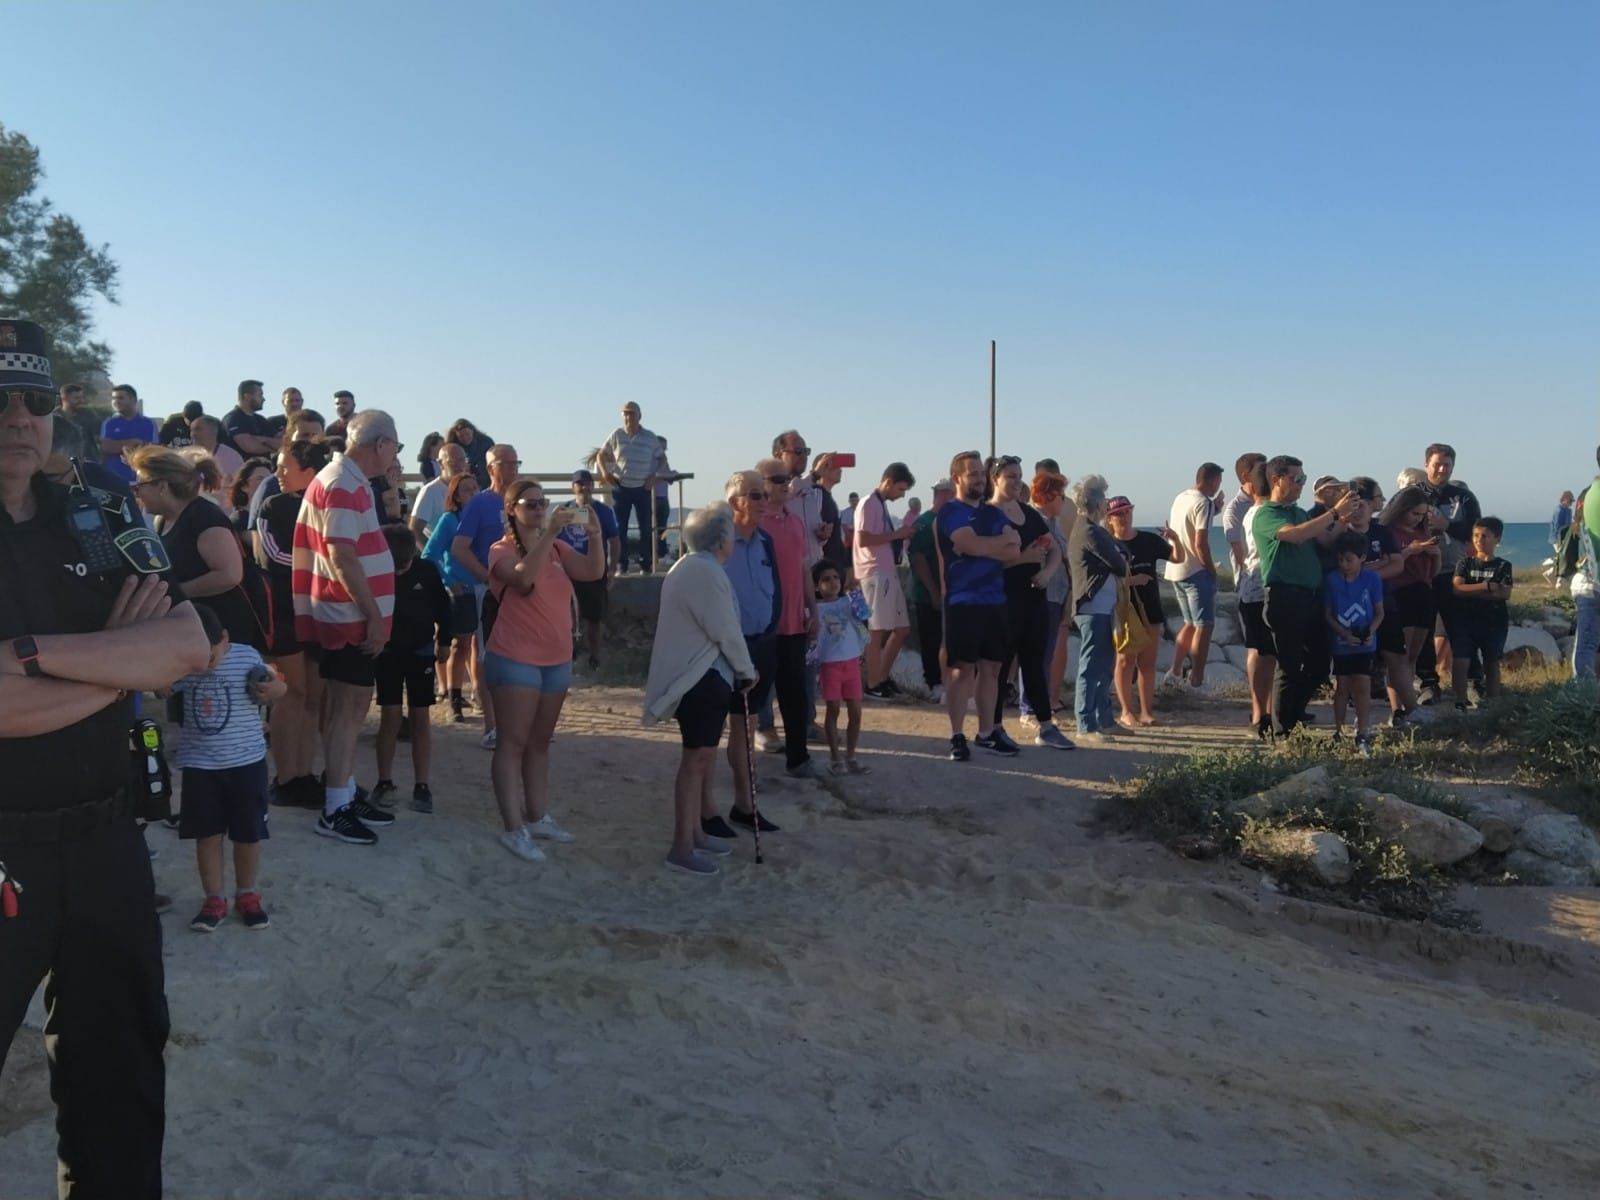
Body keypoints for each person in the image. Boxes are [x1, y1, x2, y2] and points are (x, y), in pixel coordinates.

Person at [0, 318, 212, 1197]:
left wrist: (30, 656)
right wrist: (116, 668)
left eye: (37, 399)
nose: (19, 416)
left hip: (105, 845)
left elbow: (189, 641)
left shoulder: (103, 511)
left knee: (119, 1093)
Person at [292, 409, 400, 844]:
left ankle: (343, 789)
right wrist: (373, 615)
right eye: (395, 446)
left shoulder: (347, 480)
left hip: (346, 612)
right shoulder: (341, 483)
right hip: (347, 615)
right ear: (381, 444)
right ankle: (335, 805)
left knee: (351, 708)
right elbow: (342, 555)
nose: (395, 456)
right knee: (348, 710)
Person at [485, 480, 603, 862]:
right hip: (516, 657)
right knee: (512, 743)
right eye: (530, 504)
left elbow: (592, 571)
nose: (539, 509)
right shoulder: (499, 549)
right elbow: (521, 579)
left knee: (539, 743)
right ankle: (513, 827)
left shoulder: (556, 547)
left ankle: (537, 816)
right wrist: (549, 532)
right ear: (512, 510)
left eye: (543, 503)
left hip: (555, 659)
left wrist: (596, 535)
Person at [643, 503, 757, 876]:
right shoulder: (702, 571)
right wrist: (746, 668)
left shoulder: (695, 568)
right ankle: (681, 845)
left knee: (701, 759)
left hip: (706, 676)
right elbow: (724, 627)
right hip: (701, 677)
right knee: (695, 762)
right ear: (721, 538)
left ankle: (693, 834)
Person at [161, 605, 285, 931]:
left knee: (248, 835)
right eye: (200, 656)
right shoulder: (184, 663)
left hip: (247, 764)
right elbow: (161, 687)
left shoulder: (246, 656)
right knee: (207, 836)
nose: (207, 662)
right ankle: (214, 898)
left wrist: (275, 689)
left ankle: (247, 894)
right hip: (201, 766)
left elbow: (275, 681)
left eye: (212, 654)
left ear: (225, 638)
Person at [1252, 456, 1360, 738]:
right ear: (1277, 480)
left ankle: (1291, 718)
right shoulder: (1267, 514)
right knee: (1288, 666)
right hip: (1285, 597)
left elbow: (1321, 538)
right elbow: (1296, 536)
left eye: (1303, 478)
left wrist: (1345, 517)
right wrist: (1334, 513)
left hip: (1310, 597)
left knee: (1319, 665)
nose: (1301, 484)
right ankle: (1281, 731)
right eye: (1296, 479)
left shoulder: (1298, 511)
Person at [257, 436, 336, 808]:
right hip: (284, 613)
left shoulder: (329, 503)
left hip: (320, 611)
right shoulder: (273, 504)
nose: (278, 472)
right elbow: (272, 556)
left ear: (308, 470)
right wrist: (322, 566)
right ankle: (285, 777)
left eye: (284, 466)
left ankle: (304, 775)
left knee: (312, 699)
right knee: (290, 695)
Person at [127, 445, 267, 653]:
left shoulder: (203, 517)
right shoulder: (162, 520)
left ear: (162, 486)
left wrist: (176, 593)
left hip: (224, 631)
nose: (136, 493)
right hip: (194, 628)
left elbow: (229, 575)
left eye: (139, 487)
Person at [936, 450, 1021, 760]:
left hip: (995, 601)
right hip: (963, 602)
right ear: (957, 478)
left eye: (981, 474)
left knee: (992, 668)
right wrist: (994, 545)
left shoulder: (994, 513)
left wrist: (981, 548)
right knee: (961, 671)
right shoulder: (950, 512)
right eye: (972, 474)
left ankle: (986, 733)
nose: (979, 479)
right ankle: (956, 735)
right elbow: (967, 543)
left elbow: (1014, 551)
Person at [990, 458, 1072, 749]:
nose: (1016, 481)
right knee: (999, 666)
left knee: (1035, 663)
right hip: (1002, 600)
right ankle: (994, 726)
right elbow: (982, 561)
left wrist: (1047, 573)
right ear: (995, 478)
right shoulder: (988, 515)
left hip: (1034, 597)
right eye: (1010, 476)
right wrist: (1021, 559)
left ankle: (1046, 726)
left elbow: (1052, 548)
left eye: (1019, 476)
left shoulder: (1028, 513)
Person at [721, 469, 783, 835]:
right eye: (756, 496)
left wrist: (772, 627)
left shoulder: (766, 541)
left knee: (746, 725)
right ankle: (720, 808)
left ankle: (745, 804)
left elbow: (775, 587)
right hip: (728, 648)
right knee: (725, 725)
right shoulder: (717, 542)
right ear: (735, 502)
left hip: (762, 644)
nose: (765, 501)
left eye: (765, 494)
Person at [372, 525, 451, 814]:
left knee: (420, 717)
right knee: (390, 717)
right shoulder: (376, 571)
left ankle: (422, 785)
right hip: (388, 653)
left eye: (403, 565)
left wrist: (444, 641)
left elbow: (444, 607)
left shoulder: (426, 570)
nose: (399, 571)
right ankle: (384, 781)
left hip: (420, 652)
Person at [451, 443, 520, 747]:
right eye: (505, 463)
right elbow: (459, 548)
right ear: (490, 468)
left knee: (522, 656)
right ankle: (492, 727)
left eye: (515, 462)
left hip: (523, 589)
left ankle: (519, 724)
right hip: (489, 593)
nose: (512, 468)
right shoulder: (479, 504)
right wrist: (487, 578)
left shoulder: (524, 500)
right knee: (486, 657)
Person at [757, 456, 819, 777]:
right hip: (762, 626)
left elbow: (804, 568)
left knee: (795, 693)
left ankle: (799, 757)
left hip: (794, 623)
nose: (785, 484)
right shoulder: (752, 525)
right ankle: (747, 757)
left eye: (786, 480)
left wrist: (813, 610)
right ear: (762, 484)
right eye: (777, 480)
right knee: (755, 693)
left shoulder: (795, 522)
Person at [1105, 495, 1185, 728]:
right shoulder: (1108, 545)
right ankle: (1127, 711)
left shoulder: (1148, 540)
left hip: (1150, 607)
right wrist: (1132, 580)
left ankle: (1147, 712)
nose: (1124, 517)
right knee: (1124, 661)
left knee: (1147, 663)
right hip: (1124, 611)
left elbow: (1178, 558)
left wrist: (1175, 539)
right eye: (1119, 513)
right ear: (1109, 519)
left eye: (1127, 511)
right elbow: (1104, 580)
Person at [1415, 443, 1482, 703]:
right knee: (1424, 631)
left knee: (1460, 629)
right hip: (1422, 573)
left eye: (1447, 465)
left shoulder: (1463, 497)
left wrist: (1448, 525)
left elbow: (1476, 531)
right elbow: (1393, 523)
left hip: (1454, 572)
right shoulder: (1413, 494)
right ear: (1426, 465)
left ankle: (1472, 682)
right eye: (1437, 464)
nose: (1442, 469)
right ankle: (1428, 684)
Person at [1067, 475, 1131, 741]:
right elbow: (1120, 563)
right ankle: (1086, 724)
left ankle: (1104, 719)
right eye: (1104, 498)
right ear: (1096, 502)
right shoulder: (1090, 531)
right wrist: (1121, 559)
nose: (1106, 503)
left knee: (1103, 666)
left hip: (1101, 608)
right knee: (1092, 667)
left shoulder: (1091, 529)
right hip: (1092, 608)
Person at [1377, 485, 1442, 727]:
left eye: (1422, 514)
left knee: (1413, 655)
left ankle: (1407, 705)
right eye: (1414, 513)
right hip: (1400, 593)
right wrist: (1410, 551)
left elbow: (1432, 573)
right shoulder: (1388, 532)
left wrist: (1435, 555)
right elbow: (1389, 564)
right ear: (1402, 510)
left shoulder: (1423, 532)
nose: (1418, 519)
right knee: (1398, 656)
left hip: (1423, 593)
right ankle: (1397, 709)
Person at [422, 473, 483, 722]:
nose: (472, 493)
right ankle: (454, 698)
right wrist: (447, 582)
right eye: (466, 490)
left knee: (480, 646)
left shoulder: (485, 517)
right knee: (460, 645)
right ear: (456, 495)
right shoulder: (449, 520)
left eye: (475, 488)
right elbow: (429, 554)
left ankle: (480, 693)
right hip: (462, 590)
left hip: (485, 586)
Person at [854, 461, 917, 699]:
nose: (901, 496)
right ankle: (872, 682)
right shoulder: (869, 503)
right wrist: (897, 535)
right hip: (874, 573)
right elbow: (863, 539)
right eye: (900, 490)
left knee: (902, 629)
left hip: (887, 571)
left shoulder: (878, 505)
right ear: (889, 482)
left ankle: (881, 676)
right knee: (876, 631)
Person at [1161, 462, 1224, 690]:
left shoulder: (1182, 498)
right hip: (1195, 570)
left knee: (1189, 623)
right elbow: (1200, 543)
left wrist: (1214, 509)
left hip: (1176, 569)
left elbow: (1186, 525)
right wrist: (1211, 570)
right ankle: (1196, 680)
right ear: (1213, 481)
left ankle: (1175, 671)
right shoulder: (1203, 503)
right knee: (1204, 626)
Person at [1324, 532, 1384, 753]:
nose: (1344, 564)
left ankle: (1363, 731)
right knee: (1342, 687)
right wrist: (1342, 633)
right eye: (1341, 559)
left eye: (1349, 560)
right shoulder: (1332, 580)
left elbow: (1379, 612)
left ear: (1362, 558)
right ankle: (1339, 731)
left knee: (1363, 686)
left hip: (1365, 643)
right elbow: (1328, 614)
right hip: (1341, 642)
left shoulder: (1372, 579)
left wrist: (1370, 631)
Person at [559, 468, 621, 669]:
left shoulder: (603, 511)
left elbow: (614, 540)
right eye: (580, 484)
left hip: (595, 571)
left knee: (595, 618)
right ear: (573, 487)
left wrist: (612, 569)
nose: (584, 487)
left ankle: (595, 656)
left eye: (587, 483)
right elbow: (553, 539)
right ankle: (569, 653)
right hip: (569, 572)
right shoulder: (565, 511)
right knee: (567, 616)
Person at [813, 559, 871, 773]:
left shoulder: (848, 602)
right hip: (830, 665)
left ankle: (851, 756)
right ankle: (836, 758)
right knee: (833, 709)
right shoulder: (816, 609)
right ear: (817, 586)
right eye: (826, 580)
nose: (832, 583)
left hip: (851, 663)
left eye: (835, 577)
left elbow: (865, 615)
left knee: (856, 710)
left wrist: (855, 592)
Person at [1451, 518, 1513, 709]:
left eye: (1485, 536)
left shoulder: (1503, 566)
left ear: (1497, 538)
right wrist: (1486, 587)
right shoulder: (1465, 563)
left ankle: (1493, 704)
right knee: (1461, 661)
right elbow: (1458, 588)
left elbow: (1504, 593)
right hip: (1466, 620)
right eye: (1476, 535)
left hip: (1494, 622)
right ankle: (1460, 701)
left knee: (1491, 664)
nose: (1479, 540)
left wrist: (1472, 591)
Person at [1234, 463, 1276, 735]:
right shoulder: (1261, 514)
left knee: (1268, 654)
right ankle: (1260, 714)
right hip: (1256, 591)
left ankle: (1267, 712)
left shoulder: (1255, 512)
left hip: (1256, 590)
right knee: (1262, 653)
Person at [906, 478, 955, 703]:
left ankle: (948, 683)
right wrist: (933, 590)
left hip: (952, 593)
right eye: (948, 493)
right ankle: (933, 683)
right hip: (927, 594)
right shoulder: (925, 522)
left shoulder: (952, 521)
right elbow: (918, 559)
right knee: (931, 639)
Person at [600, 401, 661, 573]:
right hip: (621, 486)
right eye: (625, 414)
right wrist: (605, 472)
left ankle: (646, 565)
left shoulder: (650, 437)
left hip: (642, 487)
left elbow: (662, 459)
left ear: (639, 416)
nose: (628, 417)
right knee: (620, 528)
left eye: (632, 413)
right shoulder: (617, 435)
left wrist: (653, 476)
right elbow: (601, 455)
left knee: (646, 528)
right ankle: (622, 564)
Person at [410, 441, 468, 544]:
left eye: (462, 460)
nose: (458, 466)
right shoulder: (430, 491)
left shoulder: (470, 490)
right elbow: (415, 529)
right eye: (452, 462)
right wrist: (431, 557)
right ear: (441, 463)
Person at [99, 382, 159, 483]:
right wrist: (132, 442)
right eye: (114, 398)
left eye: (120, 398)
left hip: (140, 479)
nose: (116, 401)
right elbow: (106, 447)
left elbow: (151, 450)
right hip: (114, 478)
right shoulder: (109, 423)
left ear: (133, 400)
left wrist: (119, 446)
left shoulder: (148, 423)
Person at [222, 379, 279, 459]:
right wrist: (272, 448)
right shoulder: (233, 419)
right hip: (243, 469)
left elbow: (280, 443)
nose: (263, 399)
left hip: (265, 468)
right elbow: (249, 446)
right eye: (260, 395)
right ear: (247, 397)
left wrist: (263, 439)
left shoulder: (261, 420)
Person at [189, 412, 244, 488]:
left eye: (198, 429)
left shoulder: (232, 457)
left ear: (213, 431)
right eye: (191, 430)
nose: (193, 434)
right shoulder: (185, 457)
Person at [55, 381, 102, 462]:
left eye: (81, 397)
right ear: (64, 397)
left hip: (87, 462)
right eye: (76, 398)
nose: (81, 401)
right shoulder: (54, 417)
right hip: (60, 462)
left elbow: (98, 438)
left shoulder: (88, 415)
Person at [445, 417, 496, 488]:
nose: (465, 438)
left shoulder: (485, 442)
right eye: (461, 436)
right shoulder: (453, 445)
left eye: (467, 434)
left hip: (484, 474)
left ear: (472, 431)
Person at [228, 457, 273, 535]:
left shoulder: (270, 516)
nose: (266, 483)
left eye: (269, 479)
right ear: (244, 486)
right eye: (260, 479)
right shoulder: (239, 520)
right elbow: (258, 544)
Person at [653, 435, 676, 564]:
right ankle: (657, 555)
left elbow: (669, 478)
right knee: (655, 527)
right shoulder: (650, 461)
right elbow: (659, 475)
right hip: (654, 498)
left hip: (663, 497)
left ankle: (661, 554)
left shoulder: (664, 462)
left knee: (662, 527)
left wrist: (672, 474)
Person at [840, 490, 860, 555]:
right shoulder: (845, 513)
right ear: (849, 501)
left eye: (856, 500)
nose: (854, 502)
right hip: (849, 540)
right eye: (852, 501)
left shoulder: (863, 512)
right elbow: (844, 527)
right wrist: (852, 538)